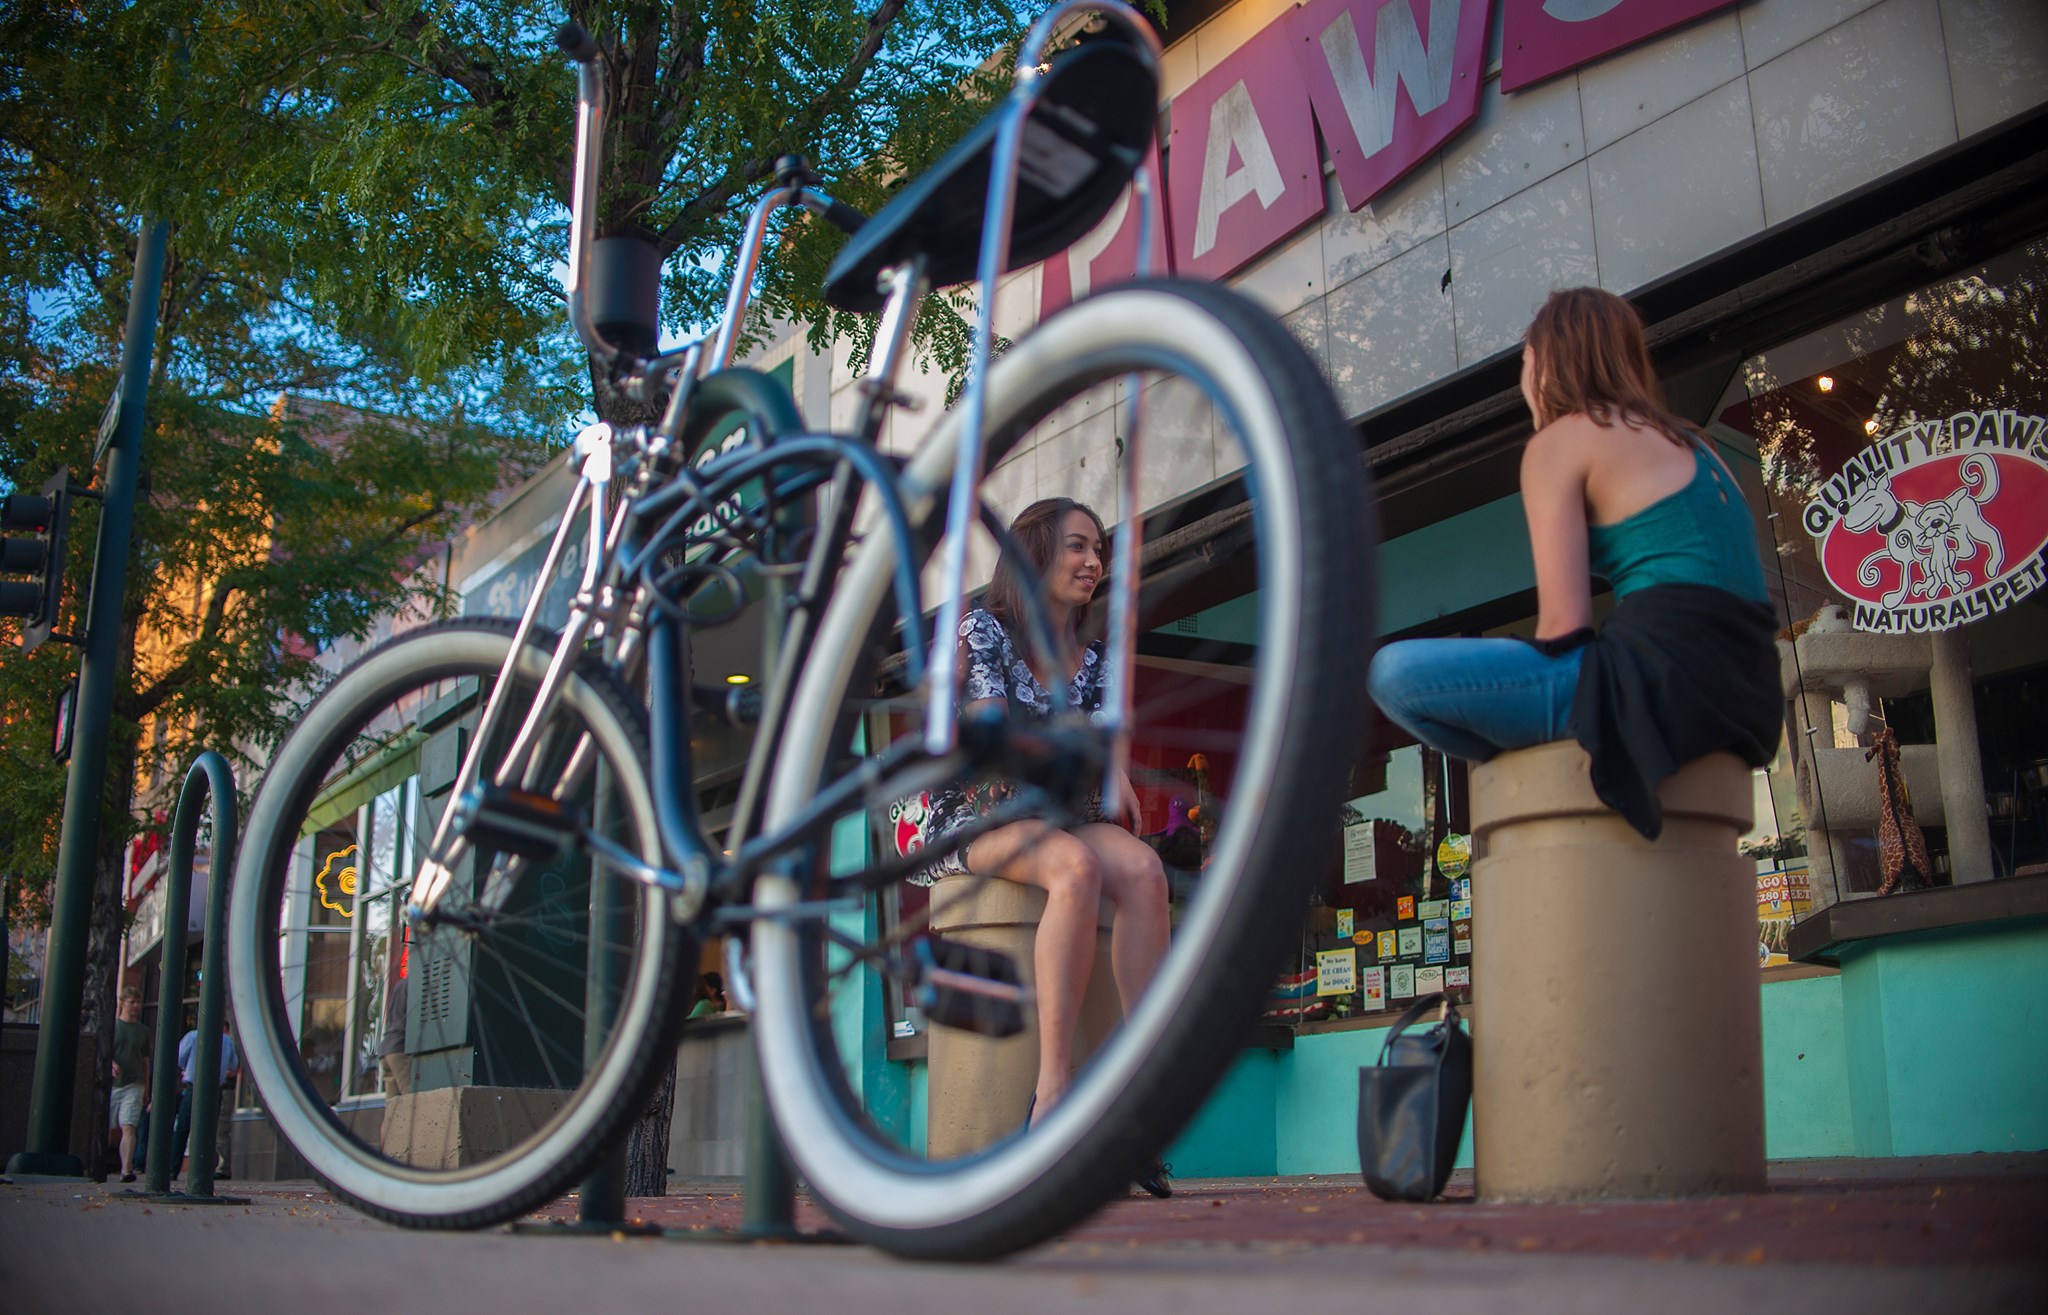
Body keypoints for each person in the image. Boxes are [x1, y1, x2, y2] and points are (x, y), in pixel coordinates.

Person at [1366, 287, 1780, 837]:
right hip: (1750, 697)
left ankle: (1526, 781)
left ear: (1546, 364)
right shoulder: (1701, 448)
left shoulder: (1562, 440)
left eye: (1524, 363)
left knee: (1392, 674)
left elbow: (1565, 627)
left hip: (1657, 683)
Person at [924, 497, 1172, 1194]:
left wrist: (1110, 758)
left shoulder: (1089, 656)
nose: (1094, 561)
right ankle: (1055, 1094)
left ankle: (1133, 1090)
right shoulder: (984, 630)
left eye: (1099, 550)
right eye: (1076, 546)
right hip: (978, 811)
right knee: (1076, 866)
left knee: (1147, 872)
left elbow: (1098, 737)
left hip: (1056, 810)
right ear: (1034, 553)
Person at [172, 1016, 241, 1178]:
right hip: (215, 1088)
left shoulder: (193, 1037)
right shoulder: (227, 1042)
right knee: (209, 1130)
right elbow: (233, 1065)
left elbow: (179, 1058)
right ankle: (203, 1170)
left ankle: (173, 1169)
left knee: (183, 1128)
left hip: (193, 1086)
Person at [109, 984, 150, 1183]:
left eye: (138, 1002)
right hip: (112, 1083)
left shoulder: (143, 1031)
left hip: (134, 1083)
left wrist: (146, 1088)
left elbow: (145, 1061)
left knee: (129, 1126)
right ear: (123, 1003)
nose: (135, 1006)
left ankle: (126, 1169)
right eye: (131, 1002)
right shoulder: (113, 1027)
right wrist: (111, 1063)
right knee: (107, 1126)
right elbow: (102, 1052)